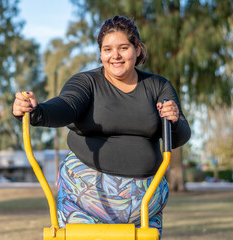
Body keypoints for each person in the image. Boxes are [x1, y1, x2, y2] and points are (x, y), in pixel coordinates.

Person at [12, 15, 191, 237]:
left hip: (144, 206)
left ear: (137, 49)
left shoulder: (158, 86)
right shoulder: (87, 83)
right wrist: (36, 112)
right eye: (107, 49)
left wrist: (173, 119)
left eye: (123, 47)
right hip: (85, 202)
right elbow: (66, 105)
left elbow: (181, 136)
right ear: (100, 53)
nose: (115, 55)